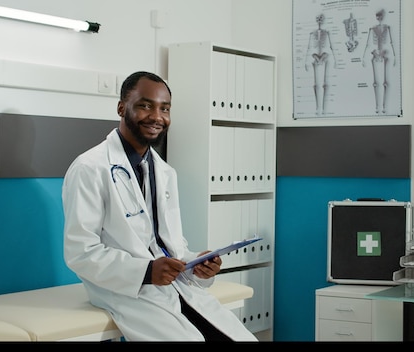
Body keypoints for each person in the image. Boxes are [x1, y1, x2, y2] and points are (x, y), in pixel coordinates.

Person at [62, 71, 258, 342]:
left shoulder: (164, 172)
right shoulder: (89, 168)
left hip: (175, 288)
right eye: (145, 105)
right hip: (125, 291)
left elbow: (169, 246)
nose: (157, 116)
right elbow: (80, 252)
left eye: (164, 108)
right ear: (122, 108)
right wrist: (146, 271)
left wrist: (196, 265)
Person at [362, 8, 397, 114]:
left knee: (384, 82)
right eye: (378, 17)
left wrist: (394, 56)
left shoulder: (387, 28)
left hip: (384, 53)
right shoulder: (372, 29)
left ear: (382, 17)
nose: (379, 18)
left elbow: (390, 42)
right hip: (375, 53)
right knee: (375, 82)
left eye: (380, 16)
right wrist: (363, 57)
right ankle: (377, 106)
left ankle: (384, 106)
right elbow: (368, 43)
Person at [304, 13, 337, 115]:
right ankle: (317, 108)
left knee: (323, 83)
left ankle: (322, 109)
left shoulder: (326, 33)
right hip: (315, 57)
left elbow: (330, 46)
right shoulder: (311, 34)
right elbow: (309, 47)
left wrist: (333, 59)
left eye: (320, 19)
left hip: (323, 57)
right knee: (315, 84)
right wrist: (306, 61)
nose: (319, 21)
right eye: (317, 19)